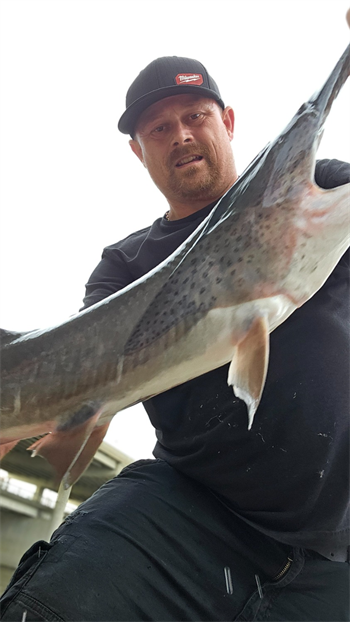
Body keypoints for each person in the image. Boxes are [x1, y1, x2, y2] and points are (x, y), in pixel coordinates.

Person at [0, 56, 349, 622]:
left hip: (335, 550)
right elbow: (87, 381)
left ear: (228, 122)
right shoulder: (125, 266)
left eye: (196, 115)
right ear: (139, 150)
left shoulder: (322, 187)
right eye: (159, 128)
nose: (181, 134)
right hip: (183, 515)